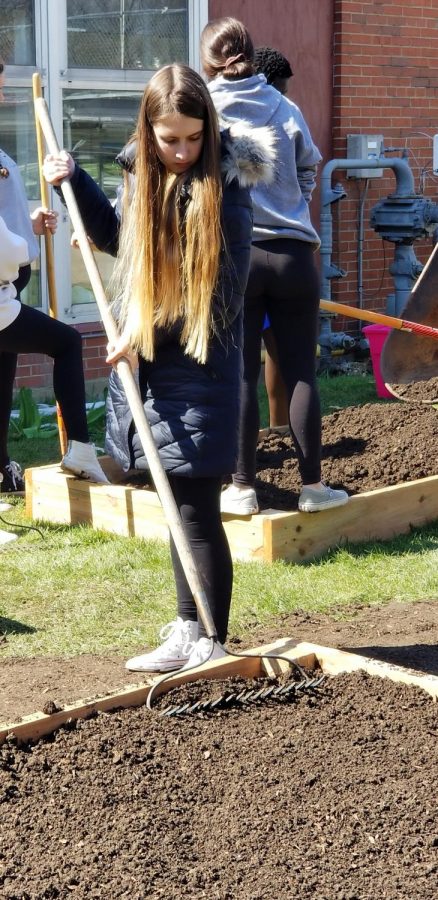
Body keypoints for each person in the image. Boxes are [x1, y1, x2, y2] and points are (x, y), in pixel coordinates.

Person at [43, 63, 274, 672]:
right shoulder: (145, 176)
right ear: (148, 131)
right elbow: (122, 239)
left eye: (193, 138)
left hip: (201, 372)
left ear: (210, 131)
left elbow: (214, 300)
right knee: (176, 506)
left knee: (195, 510)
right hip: (156, 375)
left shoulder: (226, 195)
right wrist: (78, 185)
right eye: (168, 139)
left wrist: (137, 329)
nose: (181, 151)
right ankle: (186, 627)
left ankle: (210, 639)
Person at [201, 17, 349, 514]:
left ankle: (241, 488)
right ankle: (313, 488)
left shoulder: (204, 109)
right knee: (301, 371)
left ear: (209, 63)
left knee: (240, 374)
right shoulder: (285, 107)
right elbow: (311, 162)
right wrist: (295, 205)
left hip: (235, 257)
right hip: (292, 255)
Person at [0, 59, 107, 490]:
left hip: (8, 288)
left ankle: (2, 467)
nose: (2, 95)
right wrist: (26, 248)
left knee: (3, 373)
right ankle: (80, 449)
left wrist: (29, 222)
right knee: (67, 342)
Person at [254, 47, 294, 437]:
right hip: (266, 250)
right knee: (269, 348)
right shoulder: (278, 118)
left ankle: (277, 427)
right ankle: (274, 428)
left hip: (256, 253)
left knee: (274, 348)